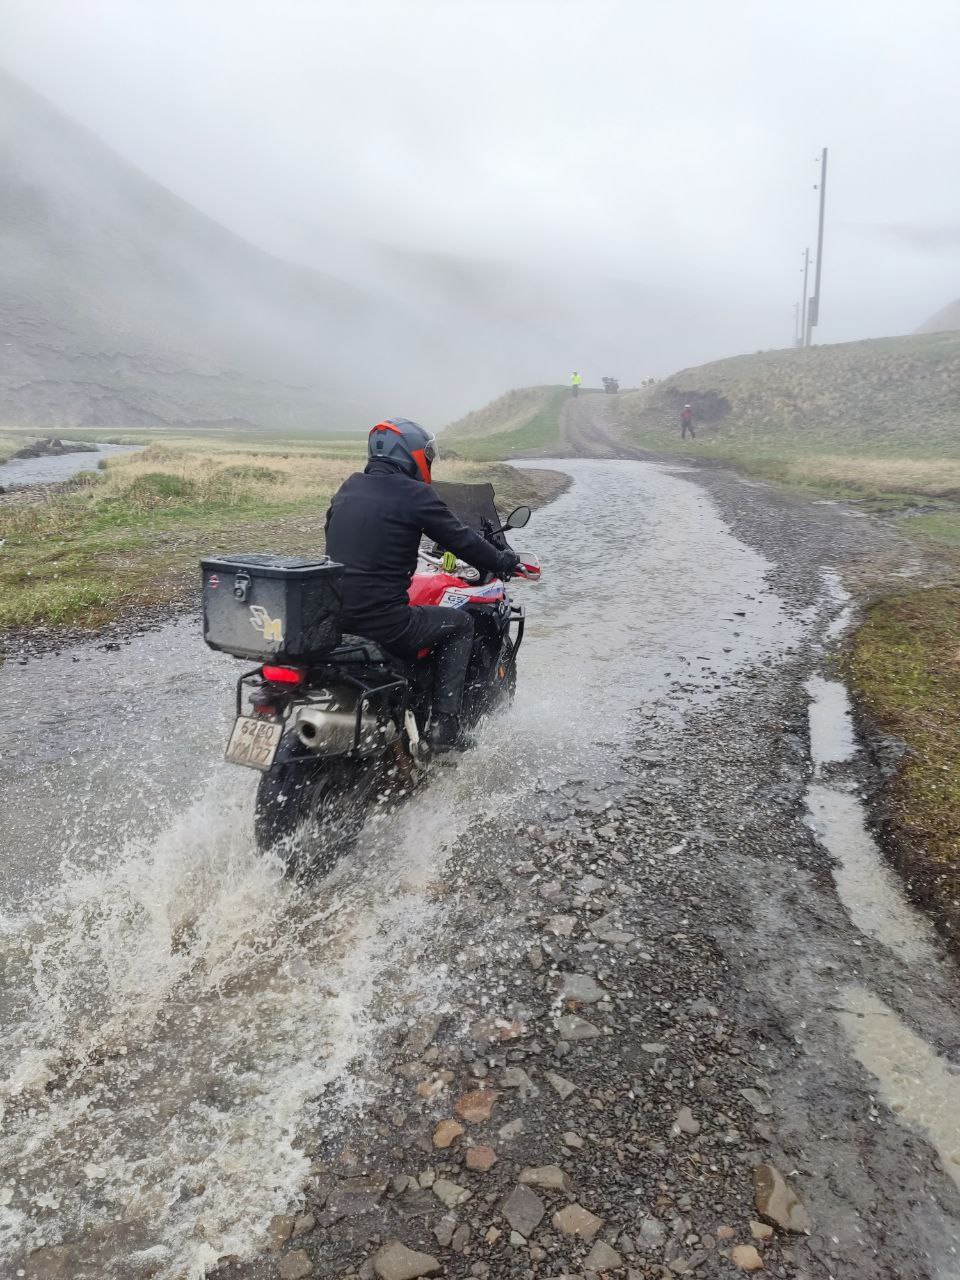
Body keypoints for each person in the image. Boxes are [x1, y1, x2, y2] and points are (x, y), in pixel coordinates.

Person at [325, 417, 520, 751]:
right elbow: (461, 539)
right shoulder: (414, 494)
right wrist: (504, 562)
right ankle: (446, 727)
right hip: (385, 625)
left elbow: (337, 534)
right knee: (459, 624)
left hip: (334, 620)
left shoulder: (350, 486)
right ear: (412, 454)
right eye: (426, 454)